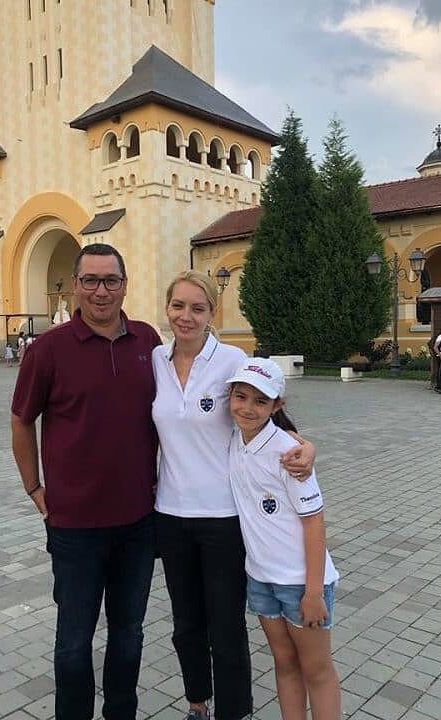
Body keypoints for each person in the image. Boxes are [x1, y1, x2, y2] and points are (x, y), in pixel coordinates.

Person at [152, 271, 316, 720]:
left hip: (224, 517)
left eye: (197, 308)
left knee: (225, 626)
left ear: (212, 313)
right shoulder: (155, 360)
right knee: (186, 624)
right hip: (170, 515)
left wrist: (305, 445)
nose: (186, 316)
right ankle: (197, 704)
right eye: (178, 306)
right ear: (167, 308)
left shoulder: (230, 360)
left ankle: (234, 711)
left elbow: (267, 414)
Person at [11, 243, 161, 720]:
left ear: (125, 285)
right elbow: (21, 419)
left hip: (138, 523)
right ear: (75, 285)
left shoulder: (148, 341)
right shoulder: (47, 350)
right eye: (91, 280)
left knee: (129, 634)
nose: (101, 291)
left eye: (111, 280)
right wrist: (34, 488)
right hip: (74, 528)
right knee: (74, 642)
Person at [226, 358, 341, 720]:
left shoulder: (289, 455)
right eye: (241, 397)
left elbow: (314, 522)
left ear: (277, 406)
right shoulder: (234, 440)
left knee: (317, 670)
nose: (247, 408)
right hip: (260, 578)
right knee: (284, 662)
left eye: (260, 401)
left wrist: (313, 592)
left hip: (300, 583)